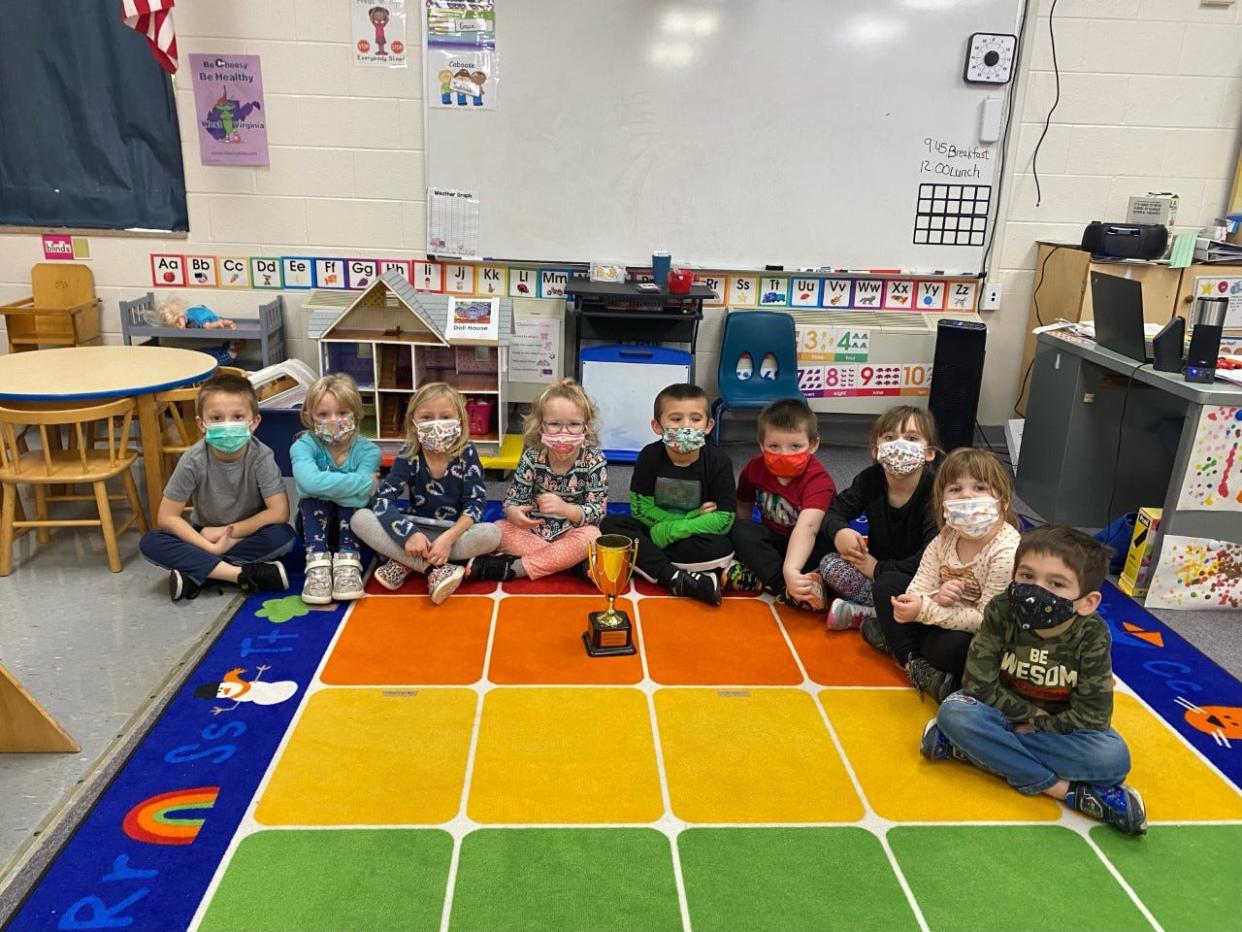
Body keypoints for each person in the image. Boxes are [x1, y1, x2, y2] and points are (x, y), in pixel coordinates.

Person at [922, 525, 1147, 836]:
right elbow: (978, 684)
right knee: (955, 711)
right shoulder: (1002, 609)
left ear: (1087, 602)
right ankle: (1067, 791)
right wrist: (1028, 716)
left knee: (1114, 758)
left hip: (1057, 729)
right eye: (1027, 577)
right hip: (998, 714)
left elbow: (1093, 716)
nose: (1036, 590)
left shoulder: (1092, 634)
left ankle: (970, 750)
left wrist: (1041, 725)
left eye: (1056, 583)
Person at [864, 447, 1021, 701]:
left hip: (980, 631)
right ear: (943, 502)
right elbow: (919, 586)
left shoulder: (1006, 551)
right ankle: (914, 663)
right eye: (955, 489)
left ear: (1002, 500)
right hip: (941, 615)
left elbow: (986, 621)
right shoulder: (946, 536)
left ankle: (897, 642)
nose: (967, 495)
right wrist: (935, 598)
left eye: (980, 487)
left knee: (956, 649)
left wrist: (926, 610)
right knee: (887, 585)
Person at [139, 373, 295, 602]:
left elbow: (279, 512)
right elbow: (166, 516)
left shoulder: (261, 456)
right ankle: (239, 574)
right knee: (151, 542)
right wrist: (208, 546)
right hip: (204, 533)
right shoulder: (193, 459)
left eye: (238, 416)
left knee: (283, 536)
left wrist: (227, 533)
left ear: (254, 423)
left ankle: (197, 574)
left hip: (246, 533)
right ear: (202, 424)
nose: (227, 425)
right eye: (217, 418)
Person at [351, 383, 500, 604]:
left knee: (492, 534)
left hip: (451, 533)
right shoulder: (409, 454)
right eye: (427, 417)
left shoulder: (466, 452)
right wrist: (408, 534)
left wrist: (448, 540)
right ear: (413, 422)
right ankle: (433, 569)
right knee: (360, 518)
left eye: (445, 416)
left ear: (460, 419)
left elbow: (475, 503)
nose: (436, 424)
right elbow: (383, 499)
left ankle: (404, 562)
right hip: (416, 529)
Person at [600, 383, 733, 605]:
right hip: (657, 530)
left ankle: (650, 563)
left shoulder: (719, 461)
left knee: (723, 544)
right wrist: (687, 517)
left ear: (709, 426)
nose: (686, 426)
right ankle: (675, 577)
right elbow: (641, 510)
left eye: (695, 419)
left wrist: (675, 529)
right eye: (676, 419)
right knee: (611, 527)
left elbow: (724, 519)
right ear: (657, 426)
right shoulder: (649, 456)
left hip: (693, 536)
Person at [467, 379, 606, 581]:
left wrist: (567, 509)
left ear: (586, 427)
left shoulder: (594, 460)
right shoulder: (532, 457)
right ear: (541, 427)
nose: (564, 433)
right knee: (498, 529)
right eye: (555, 424)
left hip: (572, 533)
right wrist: (513, 512)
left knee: (593, 536)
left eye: (574, 424)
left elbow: (598, 511)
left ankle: (513, 568)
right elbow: (513, 501)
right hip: (532, 533)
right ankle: (570, 564)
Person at [819, 405, 939, 631]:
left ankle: (876, 612)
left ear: (929, 452)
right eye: (890, 438)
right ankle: (884, 611)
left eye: (912, 438)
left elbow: (931, 555)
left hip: (919, 578)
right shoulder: (870, 480)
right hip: (874, 571)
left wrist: (878, 569)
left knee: (898, 586)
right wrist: (839, 532)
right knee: (829, 564)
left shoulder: (935, 492)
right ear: (876, 450)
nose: (900, 445)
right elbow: (832, 512)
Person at [724, 397, 835, 610]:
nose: (784, 454)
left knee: (833, 551)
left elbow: (809, 528)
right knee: (738, 529)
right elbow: (743, 505)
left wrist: (792, 569)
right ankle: (785, 588)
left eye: (795, 446)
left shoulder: (819, 481)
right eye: (774, 446)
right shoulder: (754, 468)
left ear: (813, 445)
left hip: (810, 544)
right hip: (774, 540)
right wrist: (743, 547)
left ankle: (769, 580)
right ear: (761, 445)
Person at [289, 373, 381, 604]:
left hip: (355, 526)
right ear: (309, 417)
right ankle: (317, 563)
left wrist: (322, 483)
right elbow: (308, 485)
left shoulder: (369, 451)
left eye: (342, 413)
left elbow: (362, 499)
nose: (334, 420)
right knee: (312, 501)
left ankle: (348, 559)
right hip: (313, 526)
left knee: (353, 505)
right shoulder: (303, 445)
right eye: (323, 414)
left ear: (357, 414)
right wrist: (362, 482)